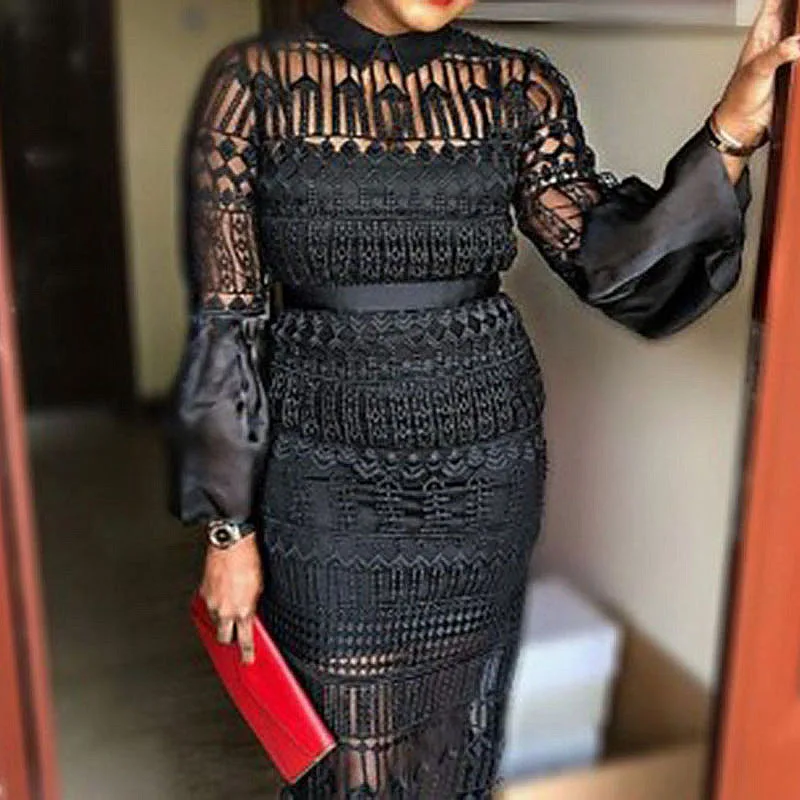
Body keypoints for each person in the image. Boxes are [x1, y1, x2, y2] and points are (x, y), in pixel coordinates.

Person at [164, 0, 794, 795]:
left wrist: (731, 130)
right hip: (323, 480)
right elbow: (227, 324)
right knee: (349, 755)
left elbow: (608, 258)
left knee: (455, 734)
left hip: (483, 471)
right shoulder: (254, 86)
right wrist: (228, 529)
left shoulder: (514, 86)